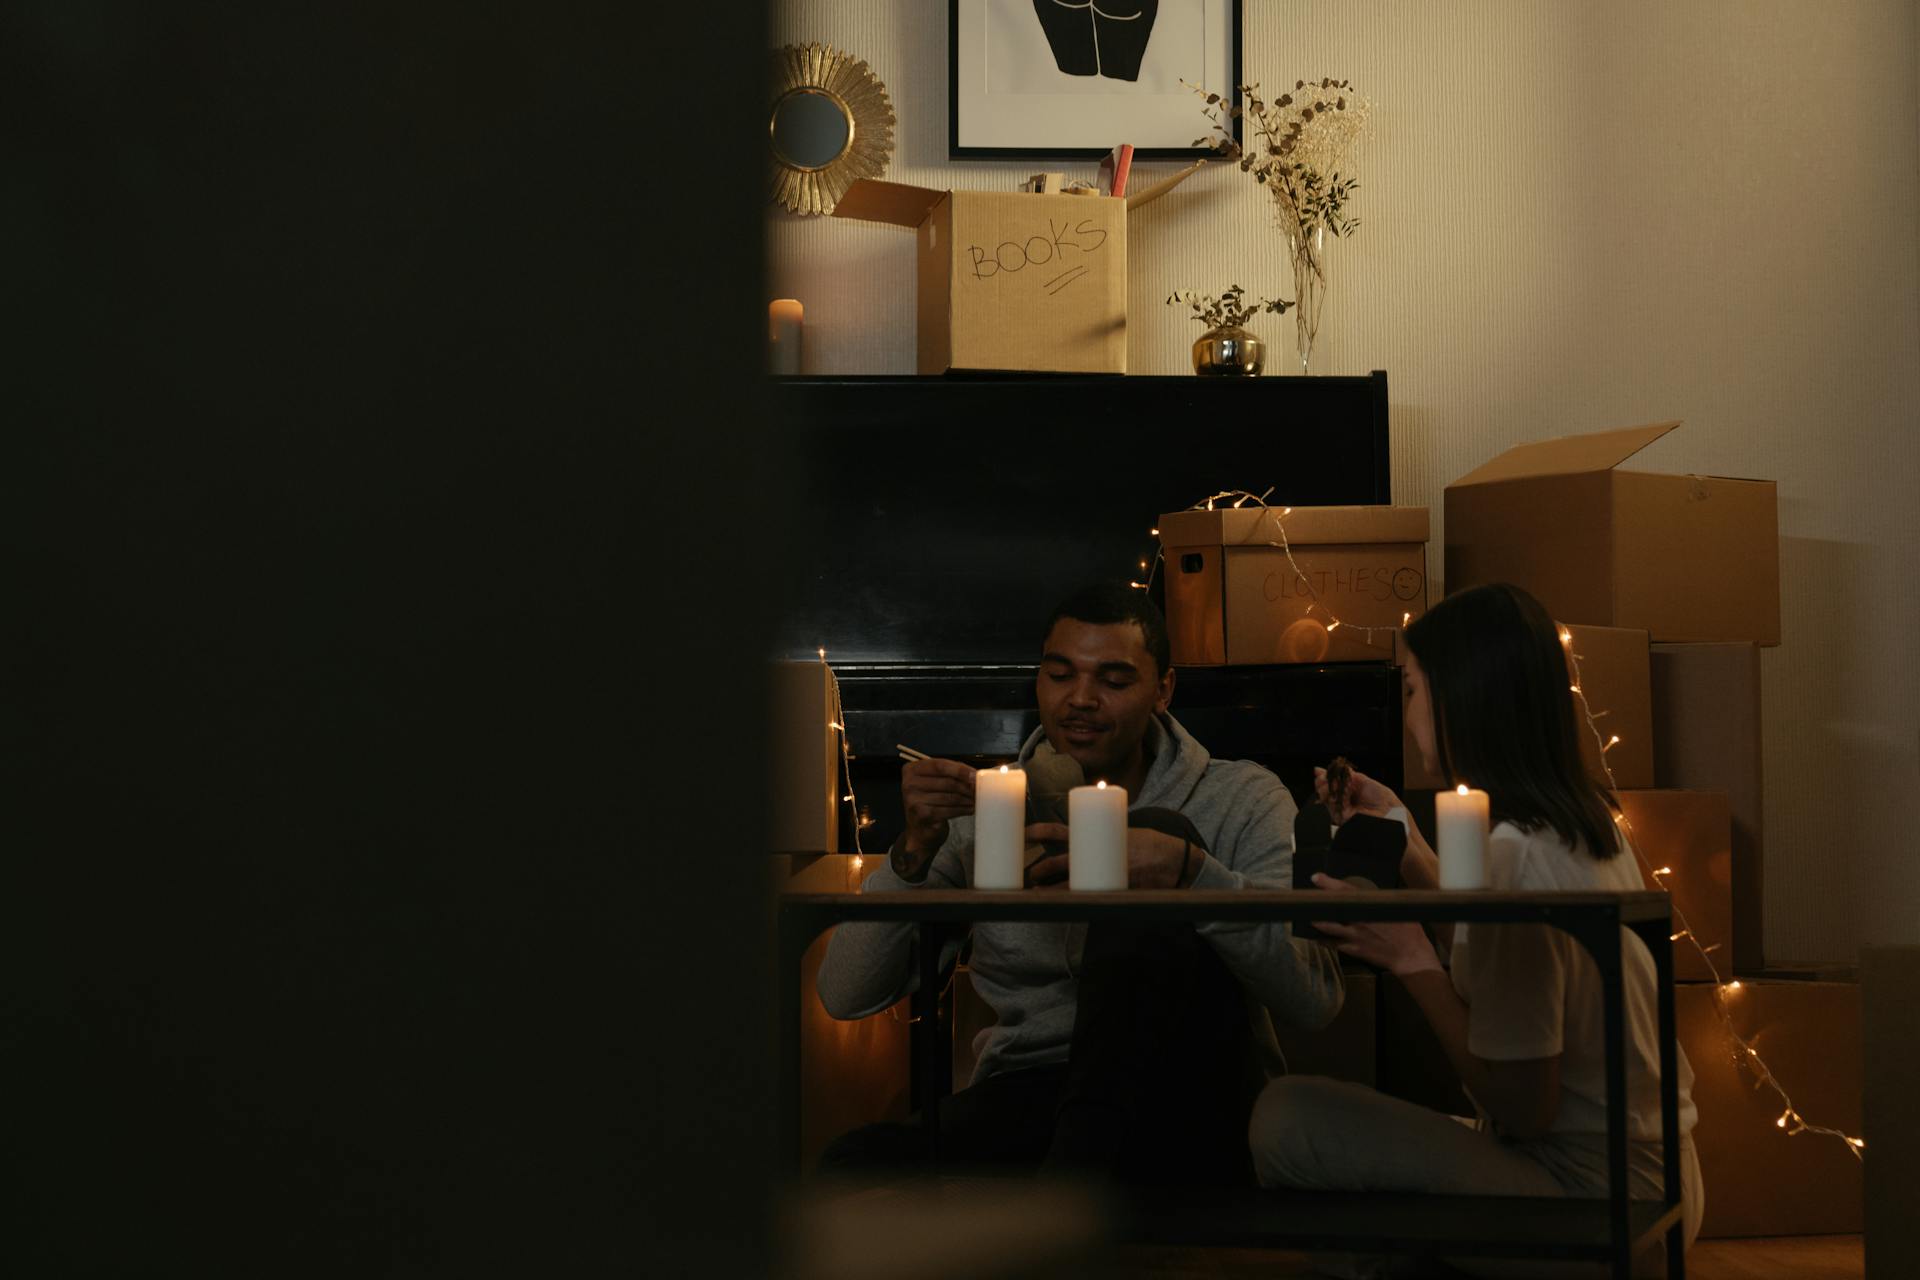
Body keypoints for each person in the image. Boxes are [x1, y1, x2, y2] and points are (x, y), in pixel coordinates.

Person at [816, 582, 1343, 1185]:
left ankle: (1068, 1193)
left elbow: (1315, 997)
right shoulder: (992, 805)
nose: (1080, 700)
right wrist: (912, 852)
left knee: (1160, 831)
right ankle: (1072, 1187)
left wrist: (1190, 873)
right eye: (1059, 676)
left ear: (1163, 691)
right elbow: (844, 993)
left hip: (1188, 1086)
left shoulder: (1241, 797)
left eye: (1113, 681)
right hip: (1032, 1090)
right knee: (850, 1171)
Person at [1250, 582, 1703, 1277]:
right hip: (1667, 1183)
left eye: (1410, 690)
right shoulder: (1585, 826)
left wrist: (1413, 963)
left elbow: (1524, 1108)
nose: (1406, 716)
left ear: (1459, 698)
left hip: (1593, 1205)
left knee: (1284, 1117)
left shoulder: (1517, 853)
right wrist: (1402, 832)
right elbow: (1503, 947)